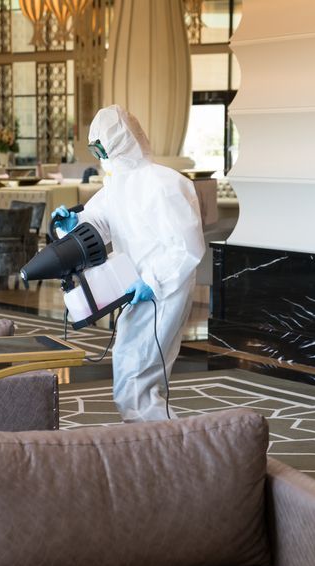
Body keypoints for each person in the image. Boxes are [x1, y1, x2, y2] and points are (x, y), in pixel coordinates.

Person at [52, 105, 205, 422]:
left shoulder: (166, 183)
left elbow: (188, 247)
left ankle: (167, 443)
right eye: (95, 148)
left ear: (121, 141)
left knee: (139, 376)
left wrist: (154, 280)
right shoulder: (116, 186)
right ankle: (152, 441)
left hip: (165, 289)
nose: (100, 155)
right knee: (131, 370)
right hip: (137, 286)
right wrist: (72, 224)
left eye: (102, 147)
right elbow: (98, 221)